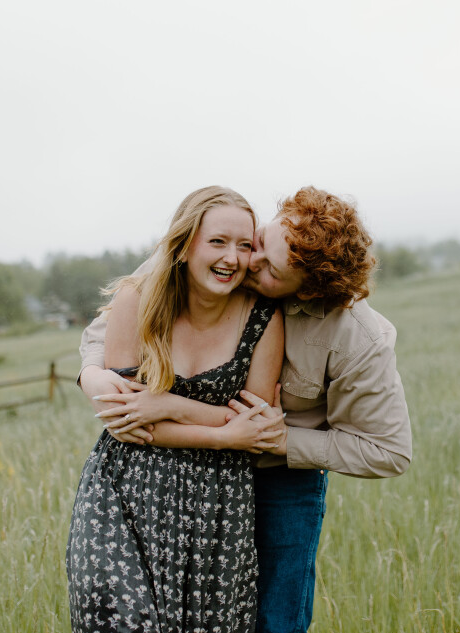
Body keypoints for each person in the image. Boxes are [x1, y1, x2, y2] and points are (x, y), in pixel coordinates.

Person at [79, 186, 413, 633]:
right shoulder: (220, 247)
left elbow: (390, 451)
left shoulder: (360, 338)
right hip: (175, 463)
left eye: (270, 269)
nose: (247, 262)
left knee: (275, 619)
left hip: (279, 475)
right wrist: (92, 376)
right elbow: (114, 322)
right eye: (260, 243)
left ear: (306, 292)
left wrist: (281, 439)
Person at [66, 186, 285, 632]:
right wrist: (221, 435)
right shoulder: (137, 300)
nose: (231, 258)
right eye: (218, 242)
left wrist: (166, 404)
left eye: (244, 245)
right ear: (185, 245)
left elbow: (254, 424)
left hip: (218, 508)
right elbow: (126, 419)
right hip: (125, 493)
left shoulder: (262, 317)